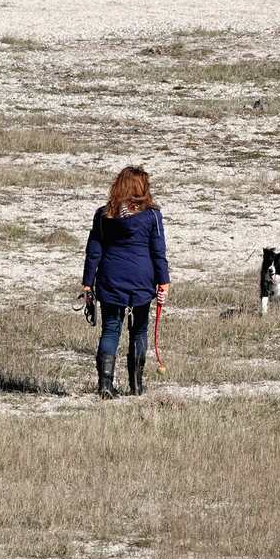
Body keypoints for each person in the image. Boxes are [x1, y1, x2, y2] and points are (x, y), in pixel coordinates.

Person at [82, 166, 170, 399]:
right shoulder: (152, 216)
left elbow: (93, 252)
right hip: (142, 279)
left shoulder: (103, 215)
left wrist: (87, 283)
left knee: (111, 330)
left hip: (110, 278)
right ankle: (136, 386)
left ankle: (105, 385)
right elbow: (158, 252)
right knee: (139, 330)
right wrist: (164, 281)